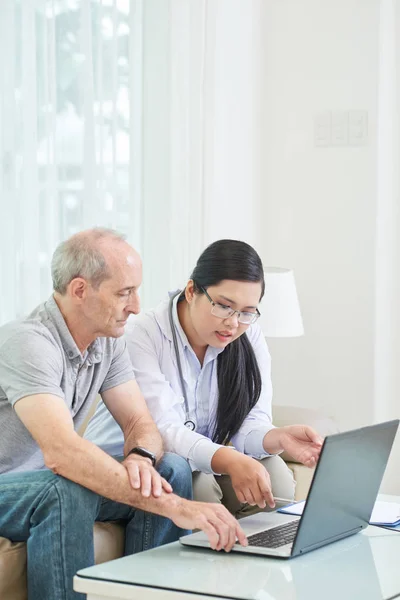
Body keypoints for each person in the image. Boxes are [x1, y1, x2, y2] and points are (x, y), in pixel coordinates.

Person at [0, 229, 247, 600]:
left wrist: (140, 458)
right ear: (80, 290)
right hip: (13, 486)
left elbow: (139, 424)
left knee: (171, 469)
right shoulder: (29, 343)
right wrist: (176, 507)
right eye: (123, 293)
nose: (135, 306)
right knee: (65, 489)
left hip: (46, 482)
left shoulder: (107, 342)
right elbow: (62, 453)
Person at [85, 239, 323, 519]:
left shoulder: (249, 334)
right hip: (136, 462)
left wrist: (278, 437)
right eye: (224, 306)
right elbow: (164, 432)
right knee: (198, 485)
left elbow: (250, 424)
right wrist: (229, 459)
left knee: (275, 473)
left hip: (195, 459)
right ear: (191, 291)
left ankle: (269, 559)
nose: (233, 323)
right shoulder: (142, 335)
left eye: (247, 312)